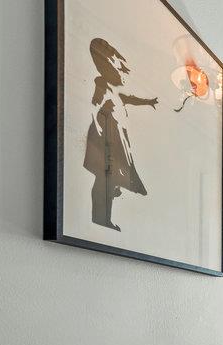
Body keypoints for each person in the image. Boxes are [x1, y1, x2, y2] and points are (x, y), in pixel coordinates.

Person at [83, 38, 158, 231]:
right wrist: (98, 124)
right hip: (107, 138)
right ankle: (100, 218)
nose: (124, 74)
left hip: (115, 138)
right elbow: (95, 105)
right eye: (120, 69)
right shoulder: (103, 85)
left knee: (110, 179)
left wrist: (148, 102)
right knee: (105, 179)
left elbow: (131, 99)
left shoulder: (116, 93)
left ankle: (103, 217)